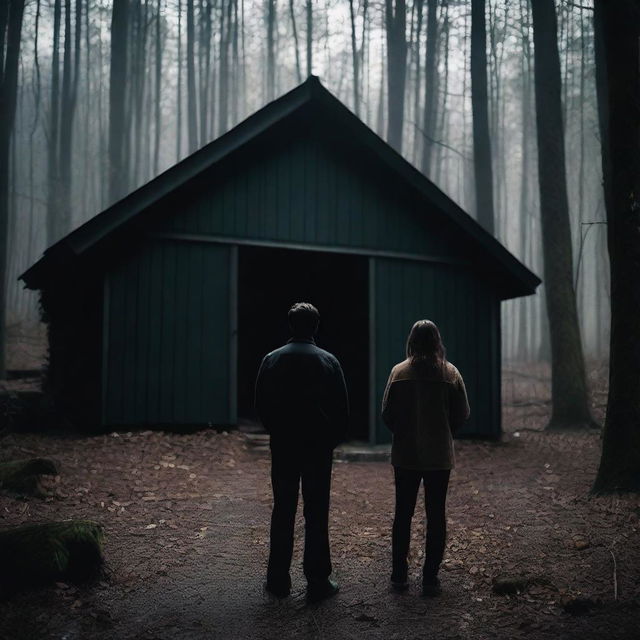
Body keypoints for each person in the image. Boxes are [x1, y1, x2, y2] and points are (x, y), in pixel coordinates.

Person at [255, 302, 349, 603]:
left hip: (284, 445)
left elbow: (261, 405)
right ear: (316, 326)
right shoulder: (329, 362)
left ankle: (278, 579)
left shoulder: (271, 359)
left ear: (290, 325)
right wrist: (328, 439)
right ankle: (318, 580)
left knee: (283, 510)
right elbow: (342, 411)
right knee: (316, 512)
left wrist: (277, 431)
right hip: (317, 448)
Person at [382, 319, 470, 597]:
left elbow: (387, 413)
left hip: (406, 454)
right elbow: (462, 413)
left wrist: (404, 432)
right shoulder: (450, 373)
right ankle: (430, 579)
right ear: (436, 342)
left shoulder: (398, 373)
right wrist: (445, 432)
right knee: (436, 515)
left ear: (412, 341)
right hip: (438, 456)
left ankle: (399, 577)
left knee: (402, 514)